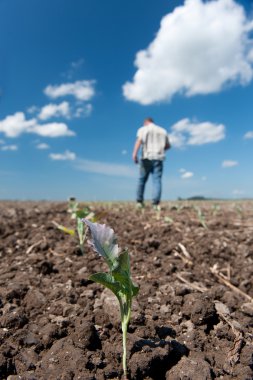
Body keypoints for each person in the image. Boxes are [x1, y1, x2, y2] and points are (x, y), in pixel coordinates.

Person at [132, 117, 170, 208]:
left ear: (146, 122)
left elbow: (139, 141)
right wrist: (160, 149)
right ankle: (155, 204)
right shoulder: (162, 130)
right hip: (158, 157)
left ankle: (139, 202)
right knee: (157, 180)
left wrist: (134, 154)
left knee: (142, 179)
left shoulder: (143, 129)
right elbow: (168, 146)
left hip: (146, 157)